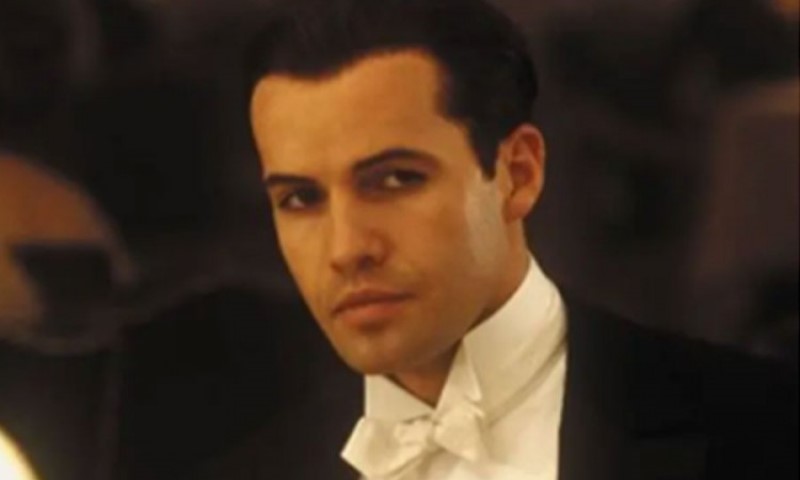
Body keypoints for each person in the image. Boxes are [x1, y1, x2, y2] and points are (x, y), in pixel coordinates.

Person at [230, 0, 797, 479]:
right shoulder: (242, 462)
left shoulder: (764, 424)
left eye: (396, 180)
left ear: (518, 174)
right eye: (300, 199)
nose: (346, 249)